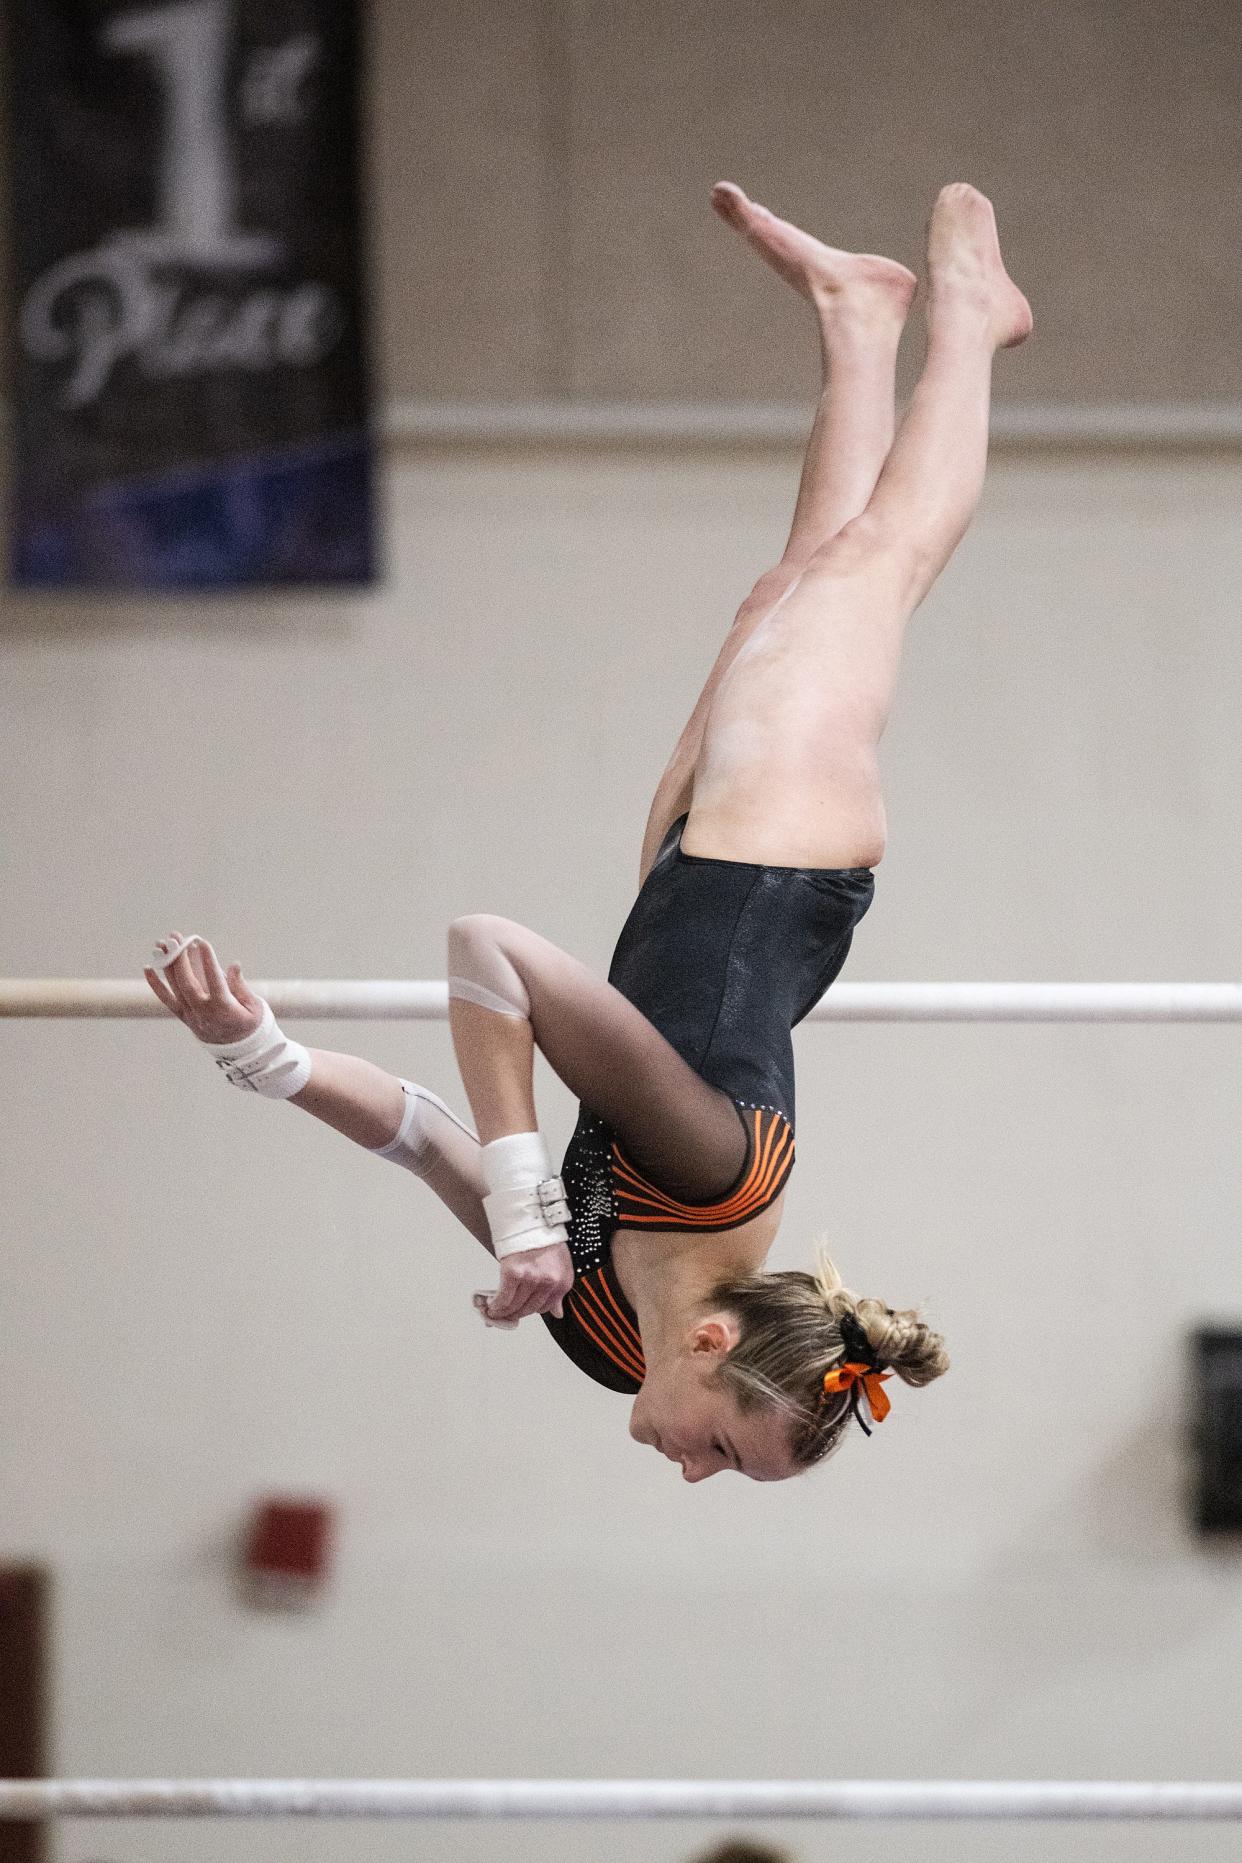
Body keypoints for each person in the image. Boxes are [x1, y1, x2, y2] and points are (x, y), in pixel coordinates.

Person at [146, 182, 1029, 1482]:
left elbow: (418, 1132)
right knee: (876, 566)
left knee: (789, 590)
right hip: (782, 856)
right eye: (726, 1450)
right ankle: (971, 324)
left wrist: (261, 1054)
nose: (689, 1471)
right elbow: (488, 951)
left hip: (691, 869)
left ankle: (858, 316)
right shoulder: (711, 1172)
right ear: (714, 1342)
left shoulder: (609, 1337)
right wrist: (523, 1212)